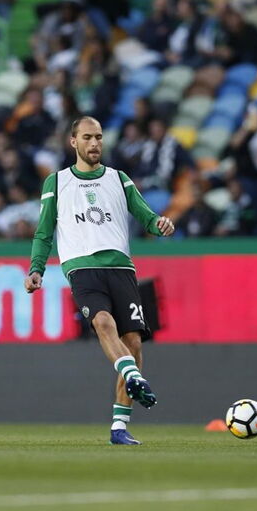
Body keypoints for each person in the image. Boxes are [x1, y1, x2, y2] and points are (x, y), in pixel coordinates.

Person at [25, 116, 175, 445]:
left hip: (121, 268)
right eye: (88, 138)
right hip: (82, 267)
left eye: (99, 138)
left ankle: (119, 428)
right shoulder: (57, 182)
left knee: (133, 343)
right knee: (103, 322)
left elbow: (145, 215)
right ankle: (133, 376)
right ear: (73, 142)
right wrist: (37, 268)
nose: (95, 144)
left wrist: (160, 223)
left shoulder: (119, 179)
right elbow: (44, 231)